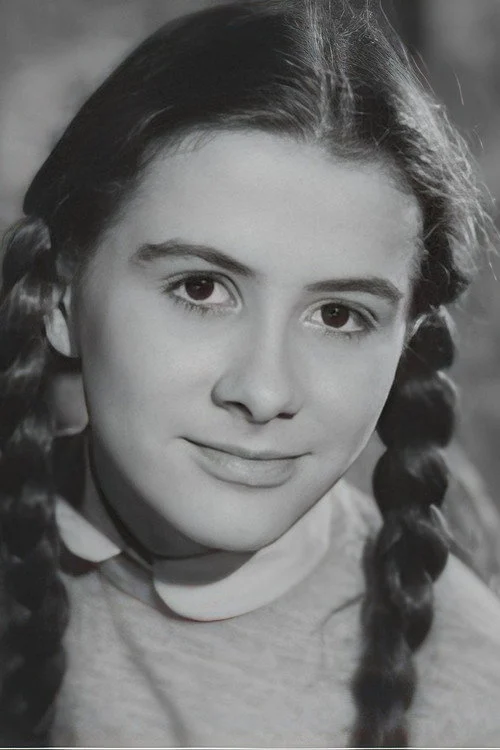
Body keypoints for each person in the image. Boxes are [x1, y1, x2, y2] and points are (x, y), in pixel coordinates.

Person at [1, 0, 500, 746]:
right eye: (201, 289)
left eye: (339, 316)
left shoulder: (474, 700)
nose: (265, 393)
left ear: (407, 340)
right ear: (60, 297)